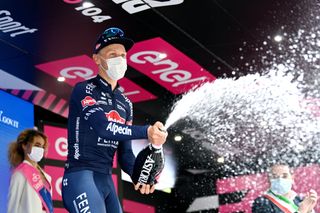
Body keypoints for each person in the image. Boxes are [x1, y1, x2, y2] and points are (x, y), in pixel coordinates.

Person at [62, 27, 168, 213]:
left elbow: (125, 155)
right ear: (97, 59)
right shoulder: (84, 89)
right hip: (80, 176)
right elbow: (103, 127)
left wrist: (140, 176)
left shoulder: (126, 103)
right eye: (112, 54)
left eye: (123, 55)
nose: (119, 60)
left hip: (106, 180)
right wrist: (146, 131)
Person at [7, 129, 53, 213]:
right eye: (37, 145)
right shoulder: (20, 173)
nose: (41, 149)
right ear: (24, 145)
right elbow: (12, 206)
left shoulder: (47, 177)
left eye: (43, 147)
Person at [252, 164, 318, 213]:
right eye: (275, 176)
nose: (280, 180)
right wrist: (301, 211)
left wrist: (309, 210)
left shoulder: (299, 200)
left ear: (292, 178)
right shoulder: (261, 203)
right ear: (269, 180)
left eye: (284, 176)